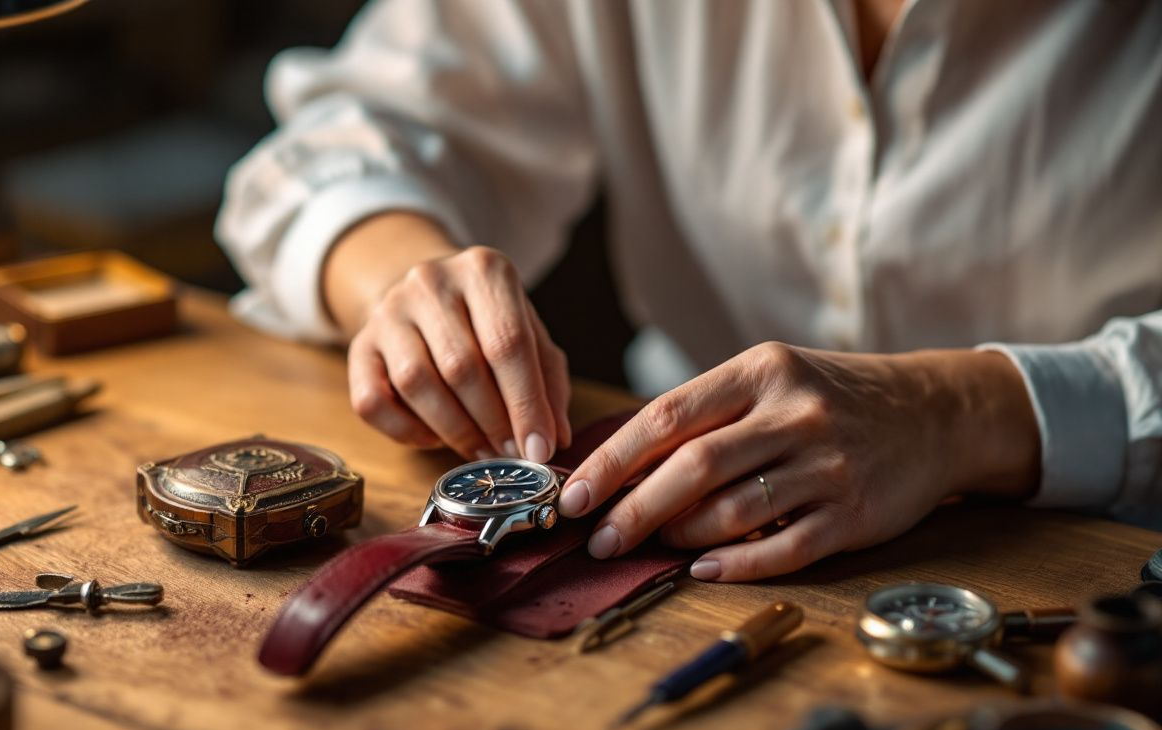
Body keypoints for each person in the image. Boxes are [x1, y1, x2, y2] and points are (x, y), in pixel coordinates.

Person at [216, 1, 1162, 583]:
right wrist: (396, 273)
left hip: (1101, 561)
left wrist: (957, 411)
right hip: (670, 527)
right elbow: (351, 131)